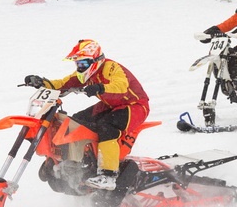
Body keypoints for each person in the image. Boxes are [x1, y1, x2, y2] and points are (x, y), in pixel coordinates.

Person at [23, 40, 150, 191]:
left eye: (83, 63)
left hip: (134, 105)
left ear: (95, 60)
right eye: (78, 64)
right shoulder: (85, 75)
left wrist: (100, 87)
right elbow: (63, 84)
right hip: (110, 105)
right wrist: (42, 82)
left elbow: (121, 85)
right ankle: (75, 161)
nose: (80, 67)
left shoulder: (110, 67)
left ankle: (108, 175)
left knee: (107, 128)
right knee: (75, 122)